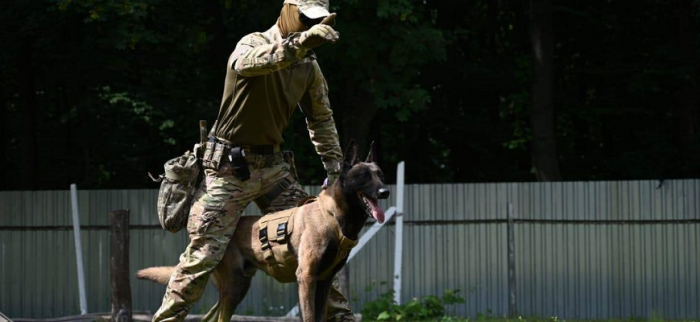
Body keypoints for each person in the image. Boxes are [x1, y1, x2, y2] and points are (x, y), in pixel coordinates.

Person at [152, 0, 355, 321]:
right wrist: (299, 44)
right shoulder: (253, 43)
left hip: (273, 168)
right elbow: (248, 65)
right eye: (303, 17)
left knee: (318, 241)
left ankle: (341, 318)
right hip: (229, 166)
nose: (306, 25)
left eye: (314, 20)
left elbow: (321, 120)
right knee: (203, 254)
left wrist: (335, 169)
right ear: (288, 10)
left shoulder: (308, 67)